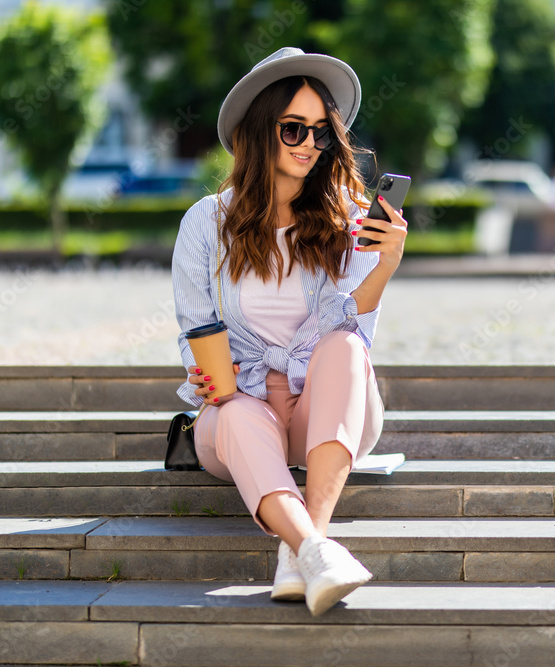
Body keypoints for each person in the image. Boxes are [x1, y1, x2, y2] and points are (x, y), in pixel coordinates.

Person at [171, 47, 407, 616]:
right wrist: (211, 380)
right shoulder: (207, 223)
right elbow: (194, 333)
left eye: (322, 133)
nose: (309, 144)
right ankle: (310, 551)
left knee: (346, 345)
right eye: (294, 128)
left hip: (324, 413)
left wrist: (386, 266)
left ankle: (307, 541)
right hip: (239, 413)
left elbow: (357, 330)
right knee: (234, 410)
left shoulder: (345, 216)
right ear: (259, 131)